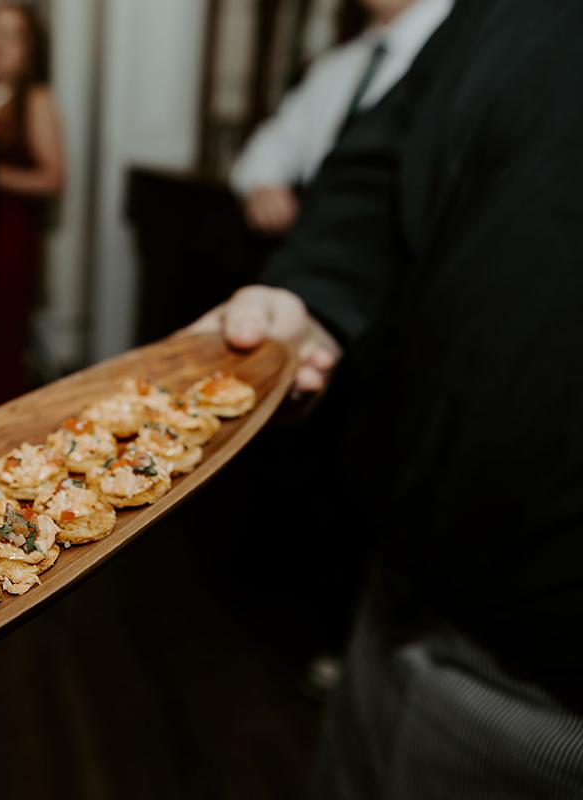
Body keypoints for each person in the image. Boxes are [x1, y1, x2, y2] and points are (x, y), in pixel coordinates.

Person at [191, 0, 583, 794]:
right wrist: (313, 298)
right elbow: (377, 171)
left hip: (549, 694)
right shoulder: (499, 17)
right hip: (396, 591)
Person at [230, 0, 452, 236]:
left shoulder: (454, 63)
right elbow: (267, 151)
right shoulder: (336, 67)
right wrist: (263, 187)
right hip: (319, 248)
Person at [0, 1, 64, 417]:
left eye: (11, 35)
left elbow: (53, 179)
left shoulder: (34, 99)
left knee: (0, 344)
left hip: (9, 238)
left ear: (29, 49)